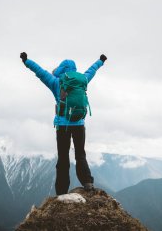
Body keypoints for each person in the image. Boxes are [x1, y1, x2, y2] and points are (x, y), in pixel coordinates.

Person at [20, 52, 106, 195]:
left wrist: (26, 61)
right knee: (80, 154)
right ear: (74, 69)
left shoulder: (56, 82)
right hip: (79, 124)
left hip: (63, 126)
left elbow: (40, 72)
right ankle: (87, 182)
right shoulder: (82, 79)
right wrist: (100, 61)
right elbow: (92, 70)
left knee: (63, 158)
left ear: (61, 68)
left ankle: (61, 191)